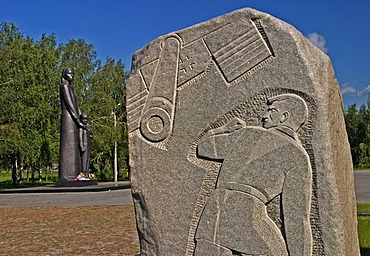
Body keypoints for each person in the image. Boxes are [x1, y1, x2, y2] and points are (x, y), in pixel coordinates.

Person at [194, 94, 312, 256]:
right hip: (248, 215)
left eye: (271, 111)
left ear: (284, 117)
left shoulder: (246, 134)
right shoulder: (298, 156)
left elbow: (203, 147)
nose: (264, 116)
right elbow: (296, 217)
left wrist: (223, 130)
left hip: (214, 212)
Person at [59, 68, 88, 181]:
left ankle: (76, 174)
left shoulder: (71, 88)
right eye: (69, 73)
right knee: (68, 144)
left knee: (74, 146)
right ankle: (67, 175)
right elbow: (70, 104)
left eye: (73, 73)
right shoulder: (64, 87)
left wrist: (80, 117)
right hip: (68, 118)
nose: (72, 75)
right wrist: (77, 119)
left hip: (74, 118)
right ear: (65, 74)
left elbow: (76, 104)